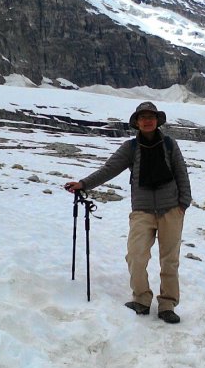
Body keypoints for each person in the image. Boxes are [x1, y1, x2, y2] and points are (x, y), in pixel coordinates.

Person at [64, 102, 191, 325]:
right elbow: (108, 169)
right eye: (143, 117)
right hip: (142, 210)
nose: (147, 120)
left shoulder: (170, 145)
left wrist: (183, 204)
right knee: (135, 256)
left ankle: (167, 304)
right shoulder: (130, 148)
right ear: (137, 122)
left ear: (157, 120)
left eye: (151, 116)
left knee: (169, 261)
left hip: (171, 210)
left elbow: (182, 173)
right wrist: (83, 184)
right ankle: (141, 299)